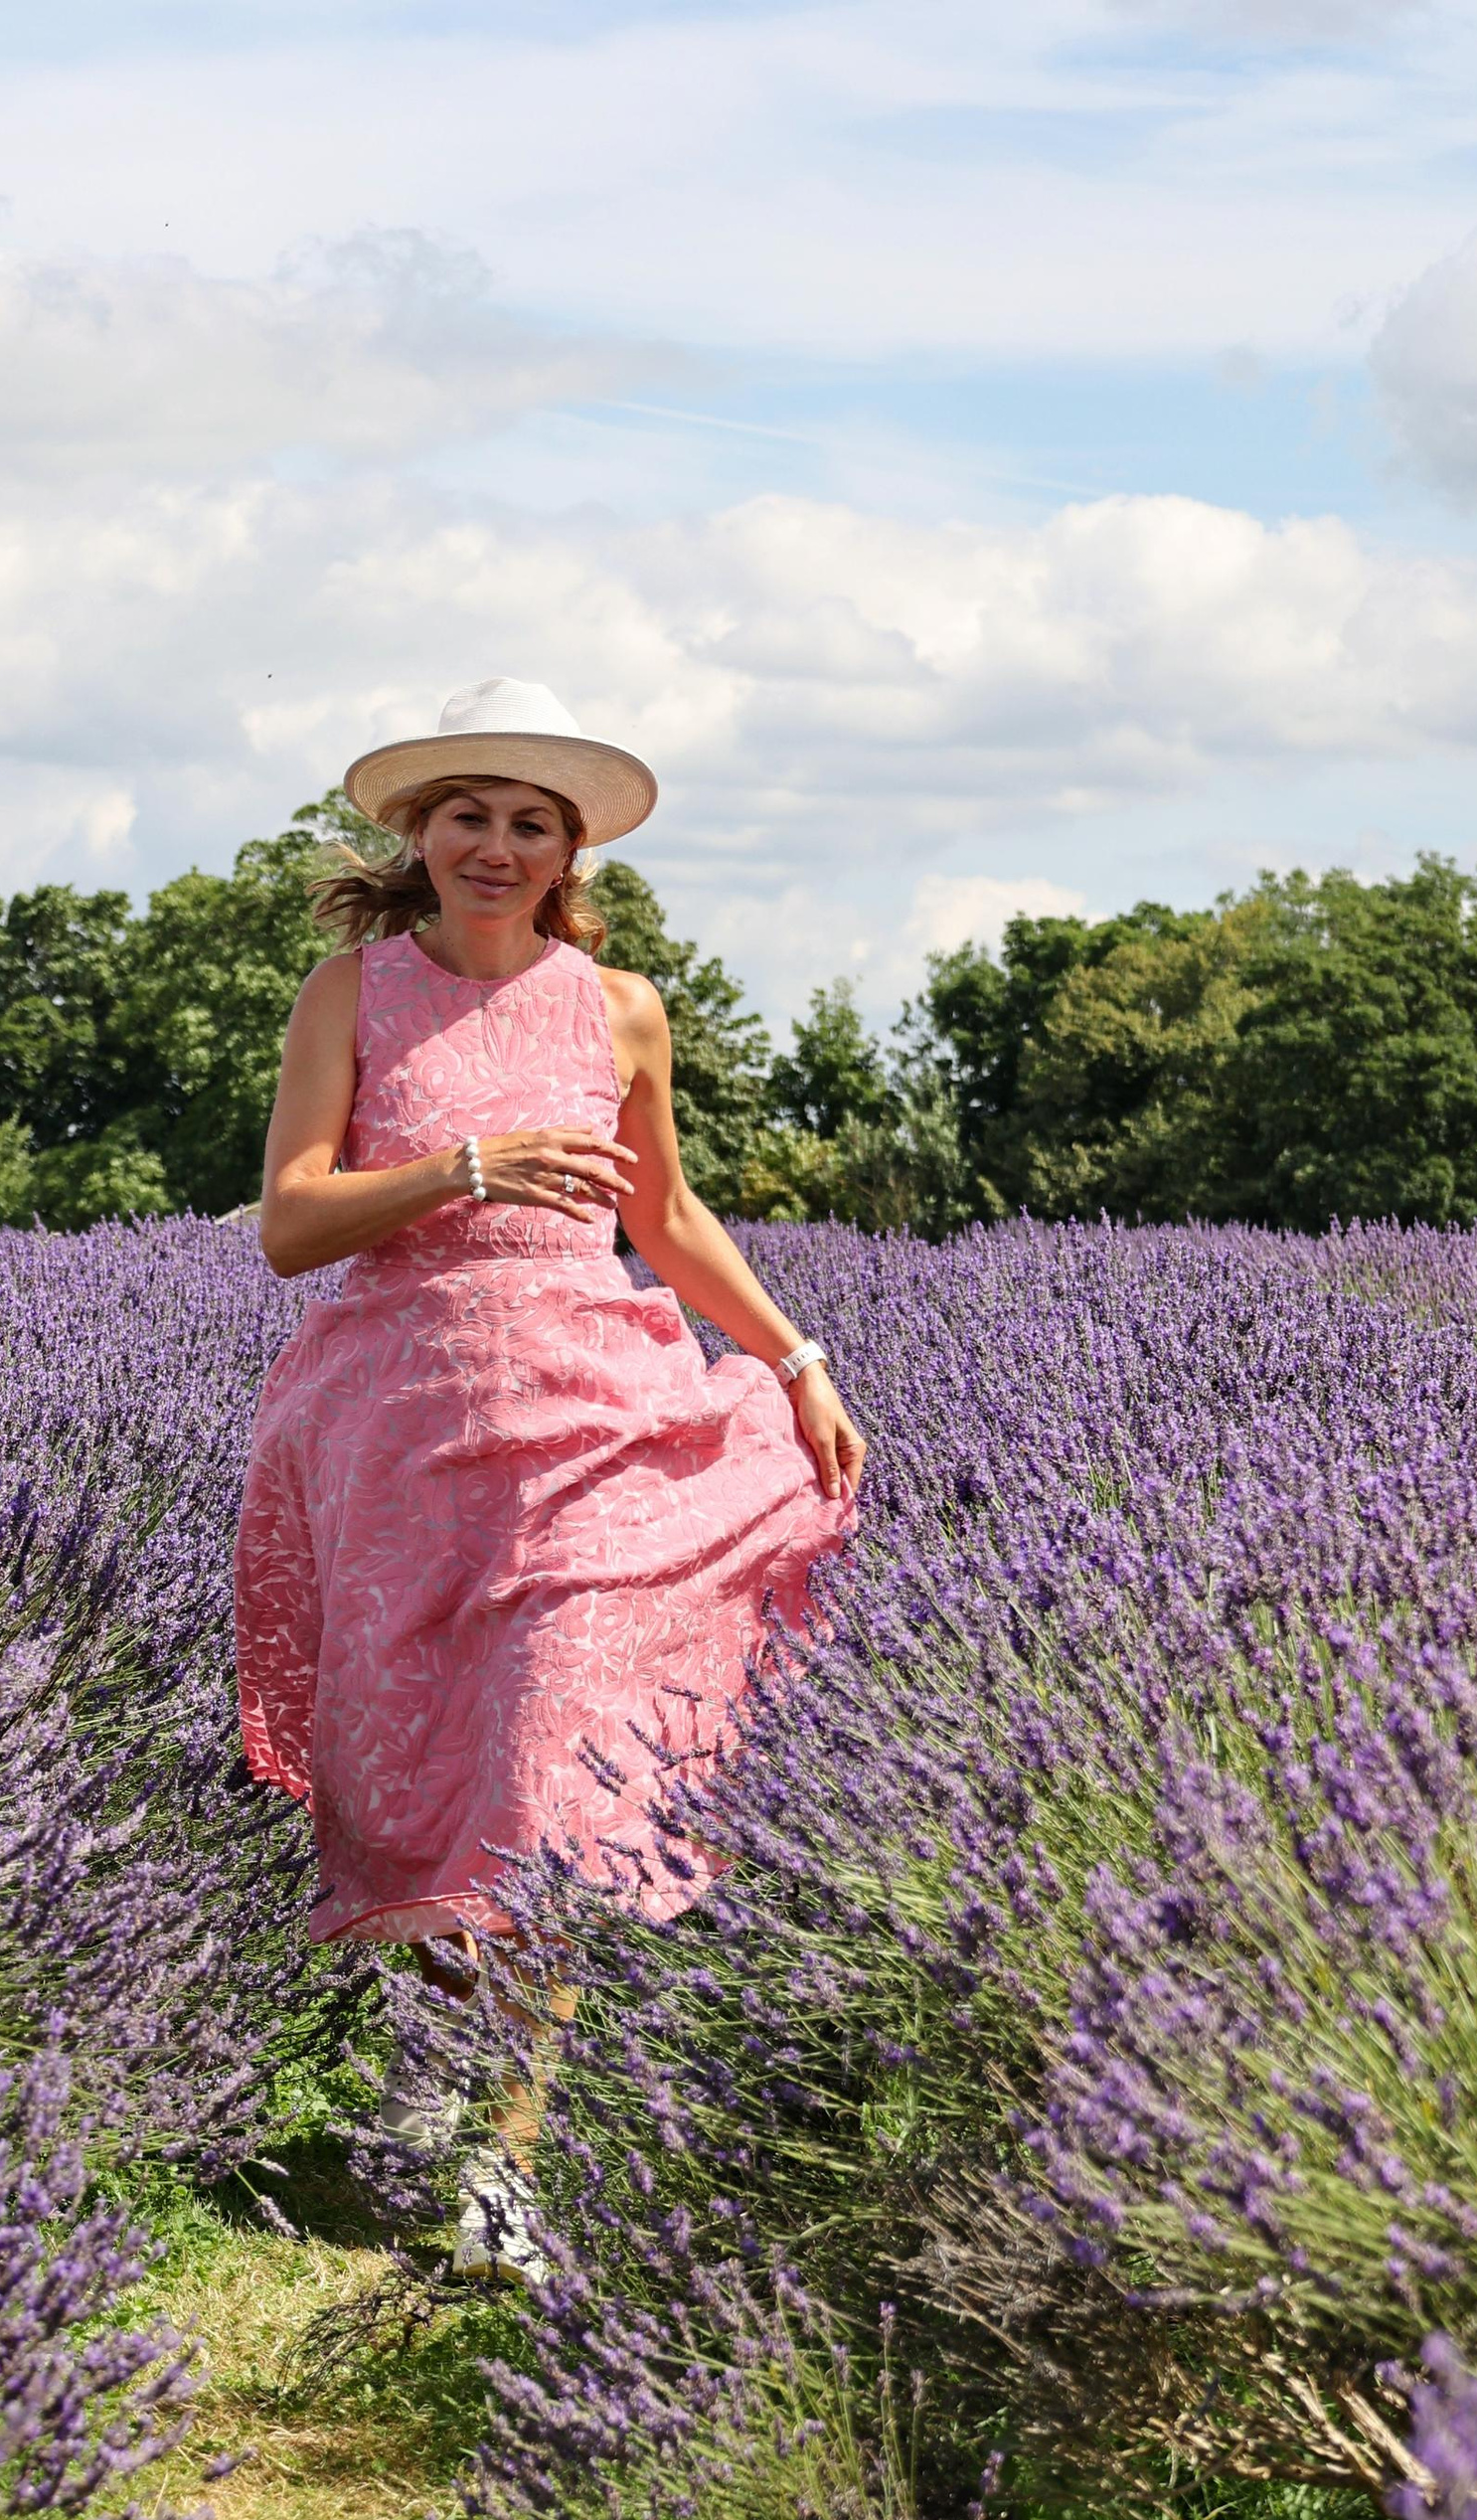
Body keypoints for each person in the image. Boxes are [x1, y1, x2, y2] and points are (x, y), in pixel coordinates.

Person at [236, 677, 868, 2271]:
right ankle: (428, 2101)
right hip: (402, 1426)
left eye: (530, 823)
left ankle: (501, 2158)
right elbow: (290, 1223)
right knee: (425, 1788)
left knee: (550, 1781)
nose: (496, 845)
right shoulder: (351, 993)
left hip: (593, 1410)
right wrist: (465, 1168)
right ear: (419, 834)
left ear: (569, 852)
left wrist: (795, 1358)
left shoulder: (619, 1005)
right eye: (470, 816)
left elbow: (665, 1220)